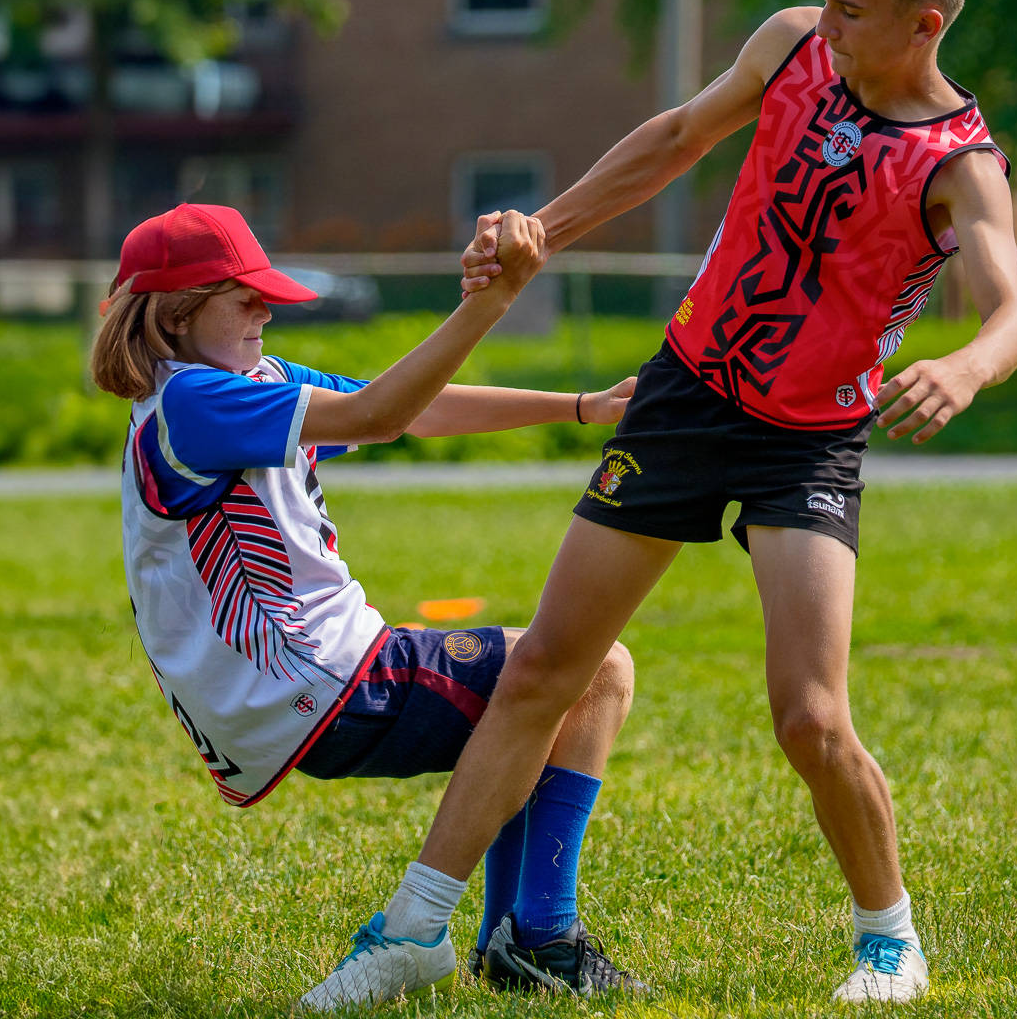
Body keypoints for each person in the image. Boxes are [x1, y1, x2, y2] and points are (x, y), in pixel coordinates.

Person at [308, 0, 1017, 1006]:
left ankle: (890, 943)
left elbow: (1011, 311)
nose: (827, 24)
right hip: (685, 396)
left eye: (852, 11)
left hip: (807, 446)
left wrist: (967, 368)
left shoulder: (958, 164)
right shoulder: (791, 46)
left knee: (811, 716)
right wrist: (539, 233)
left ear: (924, 23)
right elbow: (675, 139)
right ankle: (413, 929)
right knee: (545, 668)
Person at [91, 202, 645, 1010]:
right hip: (324, 684)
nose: (265, 312)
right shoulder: (193, 403)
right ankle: (463, 933)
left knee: (536, 689)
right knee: (593, 671)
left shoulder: (246, 385)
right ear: (176, 313)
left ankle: (519, 943)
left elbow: (412, 407)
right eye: (244, 299)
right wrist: (492, 301)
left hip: (291, 697)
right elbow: (378, 415)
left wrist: (582, 406)